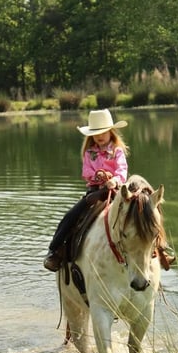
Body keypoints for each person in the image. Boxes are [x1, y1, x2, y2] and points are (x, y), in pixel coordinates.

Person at [43, 109, 130, 272]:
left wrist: (114, 180)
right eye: (96, 133)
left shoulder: (117, 151)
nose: (100, 136)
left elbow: (122, 170)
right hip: (95, 193)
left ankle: (159, 250)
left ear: (110, 131)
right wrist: (100, 177)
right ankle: (55, 251)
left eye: (103, 132)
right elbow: (87, 173)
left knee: (141, 210)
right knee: (72, 215)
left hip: (116, 190)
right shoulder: (89, 153)